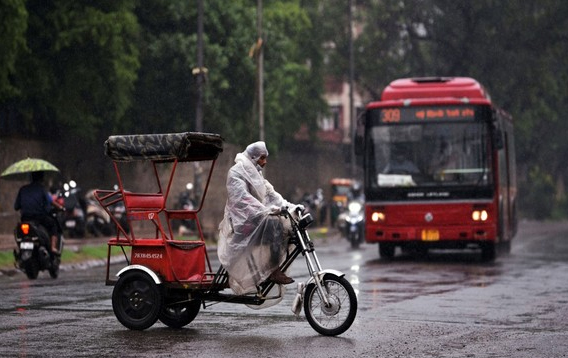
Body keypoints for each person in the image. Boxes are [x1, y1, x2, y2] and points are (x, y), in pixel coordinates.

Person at [217, 141, 301, 295]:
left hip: (255, 218)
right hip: (240, 222)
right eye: (262, 158)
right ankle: (273, 270)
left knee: (286, 227)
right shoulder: (236, 173)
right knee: (275, 225)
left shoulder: (256, 174)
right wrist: (265, 211)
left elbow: (271, 194)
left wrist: (291, 206)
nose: (265, 162)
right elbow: (242, 199)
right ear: (253, 157)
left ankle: (270, 268)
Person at [14, 171, 61, 255]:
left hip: (25, 218)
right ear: (41, 178)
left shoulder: (23, 189)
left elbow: (16, 206)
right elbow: (49, 203)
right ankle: (53, 247)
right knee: (53, 225)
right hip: (39, 219)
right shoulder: (42, 189)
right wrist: (57, 208)